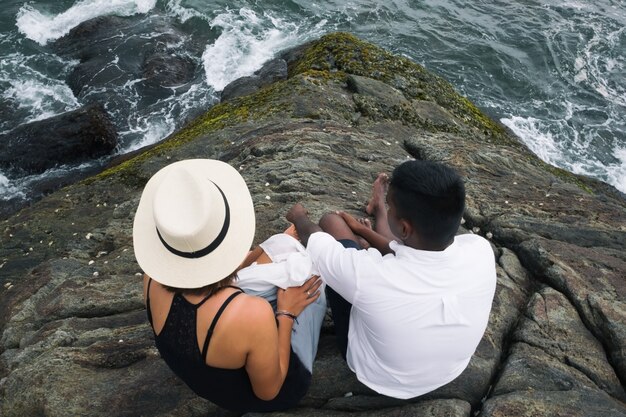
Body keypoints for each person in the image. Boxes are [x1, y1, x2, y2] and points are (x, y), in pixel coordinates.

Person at [286, 159, 497, 399]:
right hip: (449, 371)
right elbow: (418, 257)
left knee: (331, 222)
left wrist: (299, 217)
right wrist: (365, 231)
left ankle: (370, 228)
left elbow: (316, 242)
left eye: (390, 206)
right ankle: (378, 213)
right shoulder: (480, 250)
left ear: (405, 229)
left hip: (377, 374)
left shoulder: (370, 276)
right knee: (392, 256)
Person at [133, 159, 325, 412]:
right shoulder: (252, 314)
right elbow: (269, 392)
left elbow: (200, 277)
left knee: (276, 250)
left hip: (205, 370)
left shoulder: (153, 278)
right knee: (313, 281)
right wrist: (286, 313)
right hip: (268, 390)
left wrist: (260, 250)